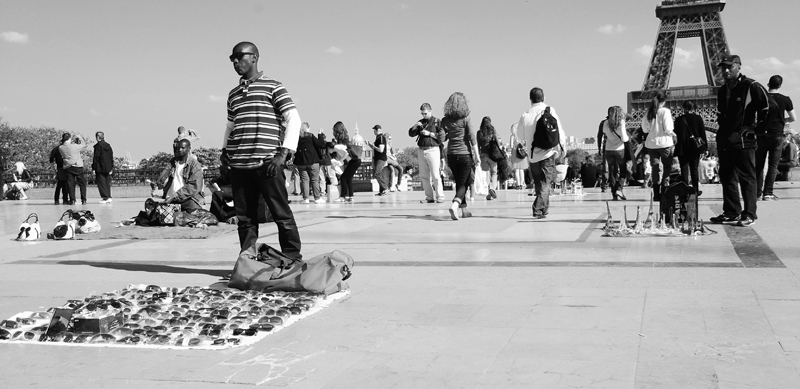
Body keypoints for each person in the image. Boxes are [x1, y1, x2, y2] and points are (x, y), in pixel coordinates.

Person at [221, 41, 303, 259]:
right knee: (245, 219)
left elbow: (293, 119)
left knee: (281, 214)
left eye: (240, 56)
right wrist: (224, 153)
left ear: (255, 57)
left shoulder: (274, 87)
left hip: (267, 164)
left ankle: (292, 258)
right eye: (232, 58)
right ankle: (248, 260)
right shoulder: (233, 94)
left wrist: (283, 154)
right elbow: (231, 125)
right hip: (239, 166)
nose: (236, 61)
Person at [711, 55, 770, 227]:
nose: (726, 70)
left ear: (739, 67)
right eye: (723, 67)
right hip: (725, 139)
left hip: (743, 141)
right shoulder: (723, 90)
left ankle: (749, 213)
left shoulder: (751, 86)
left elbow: (769, 107)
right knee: (726, 176)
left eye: (730, 67)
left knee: (747, 177)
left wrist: (756, 129)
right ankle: (731, 212)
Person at [518, 87, 566, 219]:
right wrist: (563, 148)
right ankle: (538, 209)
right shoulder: (549, 111)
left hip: (533, 156)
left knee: (539, 184)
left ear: (530, 99)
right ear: (543, 97)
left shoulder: (525, 115)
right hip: (547, 153)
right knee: (545, 184)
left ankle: (544, 210)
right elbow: (559, 131)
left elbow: (520, 135)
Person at [441, 92, 479, 220]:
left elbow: (442, 137)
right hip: (464, 154)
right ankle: (455, 204)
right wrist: (477, 155)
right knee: (464, 183)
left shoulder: (445, 120)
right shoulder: (466, 117)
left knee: (460, 181)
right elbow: (472, 137)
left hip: (451, 154)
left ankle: (464, 210)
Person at [757, 75, 796, 200]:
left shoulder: (761, 98)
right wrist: (781, 120)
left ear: (768, 84)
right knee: (773, 165)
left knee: (759, 165)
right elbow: (793, 118)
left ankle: (757, 192)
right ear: (780, 85)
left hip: (762, 134)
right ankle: (768, 193)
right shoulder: (785, 99)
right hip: (777, 135)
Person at [641, 91, 675, 202]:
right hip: (665, 143)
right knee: (667, 166)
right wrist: (673, 134)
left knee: (655, 168)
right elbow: (668, 128)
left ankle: (656, 193)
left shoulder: (649, 112)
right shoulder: (665, 111)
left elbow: (644, 129)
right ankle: (665, 188)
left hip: (651, 144)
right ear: (664, 101)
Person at [154, 139, 205, 211]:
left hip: (188, 199)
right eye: (178, 148)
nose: (180, 150)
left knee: (184, 218)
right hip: (171, 199)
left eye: (183, 148)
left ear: (189, 149)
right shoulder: (173, 161)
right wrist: (158, 183)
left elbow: (193, 187)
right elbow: (165, 173)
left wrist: (175, 196)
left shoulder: (194, 165)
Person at [408, 103, 445, 203]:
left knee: (435, 175)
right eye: (422, 113)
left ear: (430, 111)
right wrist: (416, 126)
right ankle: (429, 197)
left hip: (433, 149)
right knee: (424, 176)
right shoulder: (421, 122)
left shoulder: (437, 122)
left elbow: (443, 137)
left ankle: (440, 196)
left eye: (425, 113)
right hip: (421, 150)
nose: (423, 115)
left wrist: (430, 134)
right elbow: (411, 134)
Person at [673, 101, 708, 195]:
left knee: (684, 170)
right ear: (694, 108)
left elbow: (676, 134)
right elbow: (702, 133)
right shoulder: (698, 118)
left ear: (683, 108)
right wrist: (705, 148)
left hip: (682, 148)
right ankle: (695, 190)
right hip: (694, 148)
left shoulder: (678, 120)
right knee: (694, 169)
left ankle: (684, 190)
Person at [293, 122, 326, 204]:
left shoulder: (297, 137)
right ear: (307, 128)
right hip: (312, 161)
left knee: (304, 180)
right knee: (315, 180)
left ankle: (306, 198)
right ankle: (317, 198)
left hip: (301, 162)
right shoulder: (310, 136)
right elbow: (321, 144)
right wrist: (320, 135)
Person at [602, 106, 629, 201]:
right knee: (623, 170)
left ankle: (614, 193)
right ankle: (619, 188)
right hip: (619, 149)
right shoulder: (621, 122)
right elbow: (624, 138)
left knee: (612, 171)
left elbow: (604, 132)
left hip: (609, 149)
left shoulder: (605, 123)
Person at [332, 122, 362, 203]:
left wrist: (340, 160)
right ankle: (350, 196)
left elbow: (346, 152)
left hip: (352, 160)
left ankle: (342, 196)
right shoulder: (346, 136)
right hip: (356, 160)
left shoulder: (341, 139)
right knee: (348, 178)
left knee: (343, 178)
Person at [58, 133, 87, 205]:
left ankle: (72, 200)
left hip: (68, 167)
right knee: (82, 184)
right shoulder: (74, 146)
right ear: (69, 138)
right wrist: (79, 138)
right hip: (78, 166)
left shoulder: (61, 147)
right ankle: (83, 199)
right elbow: (84, 145)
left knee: (70, 184)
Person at [477, 116, 499, 200]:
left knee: (486, 174)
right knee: (494, 173)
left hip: (483, 154)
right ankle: (492, 188)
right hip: (492, 155)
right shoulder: (493, 131)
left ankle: (489, 194)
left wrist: (478, 155)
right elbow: (497, 142)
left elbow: (478, 145)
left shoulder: (479, 133)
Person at [92, 131, 114, 204]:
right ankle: (109, 196)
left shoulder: (98, 146)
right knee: (107, 182)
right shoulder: (108, 146)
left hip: (99, 167)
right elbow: (111, 157)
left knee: (101, 183)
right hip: (107, 167)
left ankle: (105, 197)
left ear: (98, 137)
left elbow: (96, 158)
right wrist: (111, 167)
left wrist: (94, 168)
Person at [368, 124, 390, 196]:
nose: (374, 132)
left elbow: (381, 149)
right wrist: (369, 145)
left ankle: (385, 188)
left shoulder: (381, 138)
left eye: (374, 130)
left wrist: (373, 146)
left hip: (381, 159)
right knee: (380, 174)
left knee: (377, 174)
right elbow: (375, 149)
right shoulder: (378, 138)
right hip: (377, 158)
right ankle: (382, 191)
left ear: (377, 130)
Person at [508, 123, 528, 189]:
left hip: (515, 153)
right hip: (521, 154)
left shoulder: (512, 136)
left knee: (517, 170)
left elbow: (511, 146)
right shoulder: (522, 136)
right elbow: (525, 144)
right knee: (521, 170)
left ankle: (518, 185)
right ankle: (522, 184)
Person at [49, 139, 69, 205]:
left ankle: (57, 199)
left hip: (60, 168)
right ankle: (64, 199)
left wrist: (54, 170)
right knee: (64, 184)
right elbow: (51, 160)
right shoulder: (65, 148)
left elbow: (51, 160)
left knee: (60, 184)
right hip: (64, 167)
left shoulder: (56, 149)